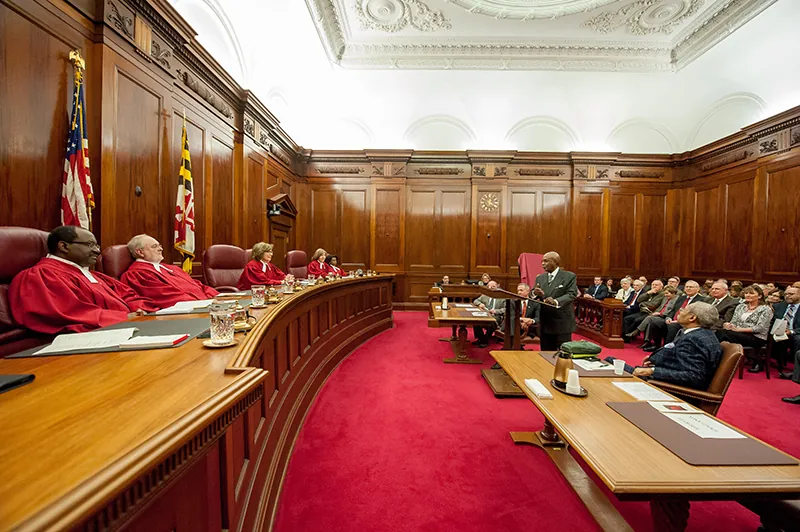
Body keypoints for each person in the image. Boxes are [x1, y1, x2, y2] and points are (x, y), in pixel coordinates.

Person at [10, 226, 158, 334]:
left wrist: (139, 309)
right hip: (89, 340)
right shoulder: (42, 275)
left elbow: (127, 295)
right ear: (64, 246)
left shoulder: (92, 275)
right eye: (89, 245)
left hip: (126, 329)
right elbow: (68, 313)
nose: (97, 250)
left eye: (96, 245)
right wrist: (123, 317)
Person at [630, 302, 722, 390]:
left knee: (616, 365)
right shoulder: (701, 334)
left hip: (666, 387)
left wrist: (652, 371)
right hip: (662, 376)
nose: (680, 311)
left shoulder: (693, 339)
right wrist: (656, 359)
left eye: (683, 309)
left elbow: (693, 376)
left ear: (692, 318)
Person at [121, 234, 218, 308]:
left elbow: (197, 285)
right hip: (188, 312)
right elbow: (164, 296)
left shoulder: (172, 268)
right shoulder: (137, 274)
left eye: (160, 246)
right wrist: (204, 303)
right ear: (140, 252)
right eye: (154, 246)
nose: (161, 249)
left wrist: (218, 297)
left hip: (205, 306)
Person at [716, 285, 773, 373]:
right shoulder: (741, 306)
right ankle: (721, 359)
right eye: (746, 293)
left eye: (751, 293)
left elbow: (760, 328)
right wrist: (728, 325)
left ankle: (716, 359)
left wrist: (739, 330)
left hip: (756, 337)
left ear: (760, 296)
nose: (748, 295)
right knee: (721, 332)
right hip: (738, 334)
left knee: (722, 334)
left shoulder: (766, 309)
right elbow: (734, 321)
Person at [531, 251, 577, 351]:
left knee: (563, 355)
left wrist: (556, 301)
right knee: (546, 353)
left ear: (555, 262)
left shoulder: (569, 276)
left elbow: (571, 294)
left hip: (562, 322)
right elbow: (532, 293)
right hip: (546, 322)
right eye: (542, 261)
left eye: (546, 261)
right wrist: (535, 293)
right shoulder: (540, 278)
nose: (543, 263)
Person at [648, 280, 710, 350]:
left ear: (698, 289)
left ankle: (667, 349)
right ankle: (657, 345)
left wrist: (679, 321)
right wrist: (669, 318)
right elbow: (673, 310)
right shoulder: (681, 298)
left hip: (686, 322)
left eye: (691, 287)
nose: (688, 288)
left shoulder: (702, 300)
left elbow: (696, 314)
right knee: (654, 322)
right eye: (687, 287)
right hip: (673, 320)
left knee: (672, 326)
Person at [773, 286, 800, 379]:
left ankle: (796, 372)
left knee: (798, 339)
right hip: (779, 332)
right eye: (786, 294)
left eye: (791, 294)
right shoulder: (778, 306)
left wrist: (792, 331)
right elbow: (772, 321)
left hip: (796, 333)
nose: (787, 296)